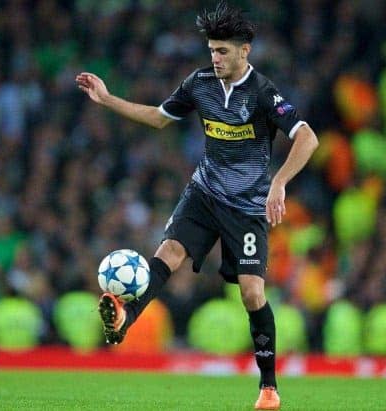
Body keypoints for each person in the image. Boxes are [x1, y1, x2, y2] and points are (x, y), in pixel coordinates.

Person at [76, 2, 318, 410]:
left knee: (252, 293)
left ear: (245, 51)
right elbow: (158, 117)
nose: (216, 58)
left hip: (246, 206)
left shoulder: (263, 92)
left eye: (223, 51)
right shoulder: (199, 84)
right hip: (204, 193)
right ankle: (123, 319)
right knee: (167, 253)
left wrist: (279, 183)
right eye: (212, 51)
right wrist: (107, 99)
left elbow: (307, 136)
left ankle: (269, 386)